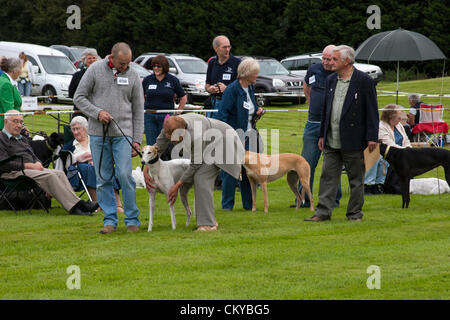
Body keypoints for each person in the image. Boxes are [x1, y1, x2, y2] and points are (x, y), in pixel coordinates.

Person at [74, 42, 144, 234]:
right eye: (122, 63)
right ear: (112, 57)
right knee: (103, 177)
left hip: (123, 134)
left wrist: (136, 139)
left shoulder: (133, 75)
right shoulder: (95, 70)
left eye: (128, 63)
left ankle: (132, 220)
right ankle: (110, 221)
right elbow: (79, 97)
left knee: (124, 174)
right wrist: (97, 113)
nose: (125, 67)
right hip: (98, 134)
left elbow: (138, 109)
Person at [305, 45, 379, 222]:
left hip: (354, 139)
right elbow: (326, 110)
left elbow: (372, 111)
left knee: (355, 179)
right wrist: (323, 134)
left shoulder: (364, 81)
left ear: (346, 61)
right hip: (331, 138)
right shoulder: (331, 80)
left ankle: (354, 213)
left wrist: (371, 137)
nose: (330, 62)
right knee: (328, 176)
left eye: (334, 59)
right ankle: (323, 212)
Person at [144, 113, 245, 231]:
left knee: (201, 178)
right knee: (199, 177)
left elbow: (194, 165)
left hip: (223, 142)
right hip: (207, 143)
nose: (171, 141)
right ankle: (205, 221)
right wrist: (147, 168)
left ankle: (208, 224)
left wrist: (176, 186)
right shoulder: (170, 125)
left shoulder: (196, 134)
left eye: (173, 139)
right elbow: (159, 146)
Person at [0, 110, 98, 215]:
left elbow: (33, 155)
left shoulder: (22, 139)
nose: (19, 125)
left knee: (59, 173)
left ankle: (77, 205)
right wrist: (27, 165)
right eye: (16, 121)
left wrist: (37, 163)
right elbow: (3, 164)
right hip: (13, 173)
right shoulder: (1, 138)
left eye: (21, 122)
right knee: (50, 175)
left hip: (30, 170)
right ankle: (76, 207)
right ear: (6, 122)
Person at [291, 45, 342, 209]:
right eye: (324, 59)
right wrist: (310, 100)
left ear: (336, 58)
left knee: (333, 163)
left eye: (330, 59)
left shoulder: (339, 72)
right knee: (305, 163)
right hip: (313, 123)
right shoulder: (314, 69)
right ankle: (303, 199)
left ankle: (333, 200)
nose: (326, 63)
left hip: (333, 125)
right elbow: (307, 85)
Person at [216, 57, 265, 211]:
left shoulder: (250, 88)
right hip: (234, 136)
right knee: (230, 171)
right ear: (246, 74)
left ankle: (249, 205)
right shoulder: (232, 90)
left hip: (251, 135)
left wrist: (257, 112)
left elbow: (250, 110)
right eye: (255, 73)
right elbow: (222, 115)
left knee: (249, 171)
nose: (257, 76)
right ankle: (227, 206)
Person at [62, 116, 123, 213]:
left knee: (106, 168)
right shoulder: (70, 145)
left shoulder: (95, 141)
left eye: (78, 129)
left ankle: (117, 204)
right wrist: (79, 159)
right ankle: (97, 204)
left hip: (99, 166)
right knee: (87, 168)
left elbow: (107, 154)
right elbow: (65, 163)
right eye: (73, 129)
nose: (75, 132)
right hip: (80, 172)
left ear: (86, 128)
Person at [365, 104, 412, 195]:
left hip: (400, 154)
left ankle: (380, 185)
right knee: (380, 158)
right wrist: (405, 150)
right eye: (399, 118)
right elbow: (389, 144)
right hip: (387, 152)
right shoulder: (381, 126)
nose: (400, 120)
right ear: (391, 117)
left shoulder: (399, 126)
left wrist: (408, 148)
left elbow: (406, 140)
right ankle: (369, 185)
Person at [142, 55, 186, 145]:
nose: (156, 68)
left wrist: (178, 112)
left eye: (159, 66)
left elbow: (183, 97)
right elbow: (139, 96)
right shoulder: (147, 80)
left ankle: (166, 159)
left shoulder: (173, 80)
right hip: (149, 116)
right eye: (154, 66)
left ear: (164, 67)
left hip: (166, 117)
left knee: (165, 144)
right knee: (151, 144)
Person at [205, 35, 241, 118]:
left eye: (229, 47)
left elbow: (242, 87)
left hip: (230, 105)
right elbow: (207, 85)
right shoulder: (212, 63)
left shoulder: (237, 63)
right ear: (215, 48)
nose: (227, 50)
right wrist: (210, 89)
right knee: (212, 129)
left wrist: (227, 89)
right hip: (213, 103)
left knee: (226, 130)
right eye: (224, 47)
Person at [68, 48, 100, 119]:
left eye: (94, 58)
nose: (92, 60)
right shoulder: (77, 75)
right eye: (89, 58)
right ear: (84, 60)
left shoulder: (101, 75)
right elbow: (71, 93)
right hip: (80, 110)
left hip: (96, 111)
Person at [0, 57, 22, 130]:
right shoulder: (6, 84)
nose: (20, 72)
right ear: (14, 71)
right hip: (5, 126)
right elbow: (9, 109)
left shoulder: (4, 80)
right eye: (20, 69)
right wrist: (21, 125)